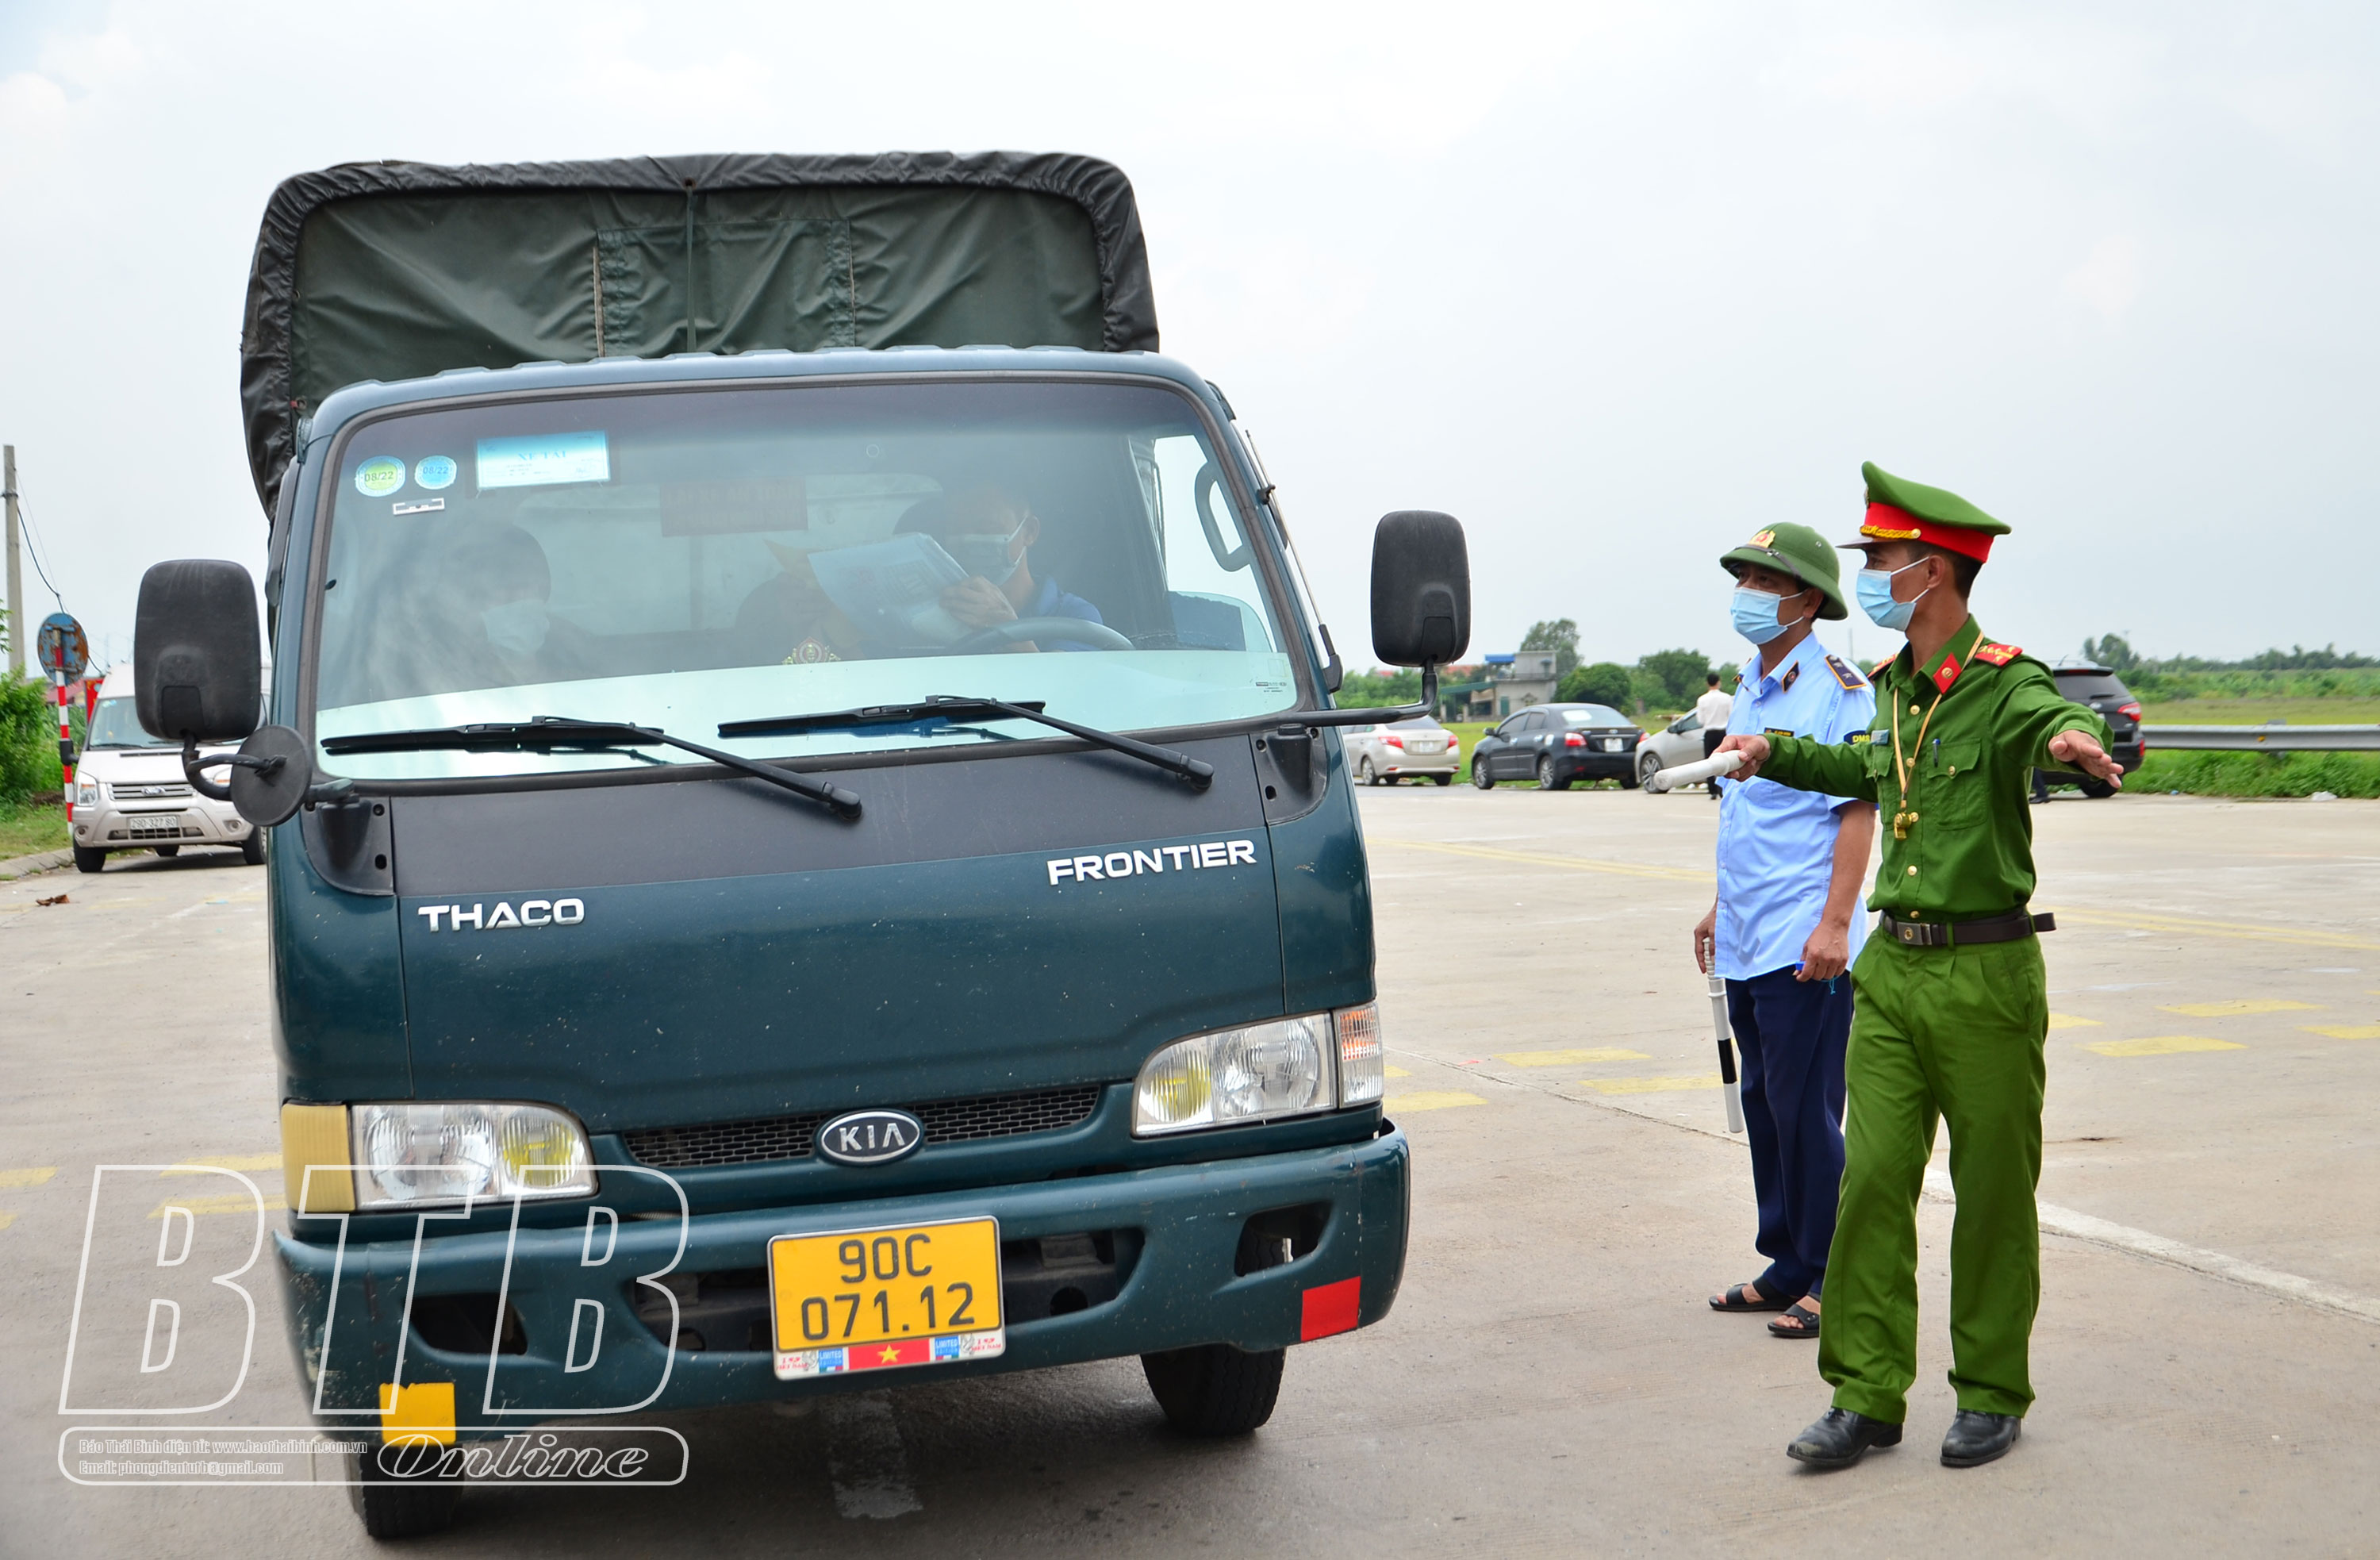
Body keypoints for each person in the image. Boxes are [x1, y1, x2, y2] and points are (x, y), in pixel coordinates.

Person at [1716, 463, 2121, 1473]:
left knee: (1992, 1192)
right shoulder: (1893, 689)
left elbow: (2048, 720)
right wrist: (1774, 752)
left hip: (1985, 974)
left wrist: (2074, 740)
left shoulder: (2004, 681)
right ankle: (1865, 1395)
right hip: (1893, 969)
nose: (1871, 574)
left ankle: (1990, 1390)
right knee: (1873, 1184)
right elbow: (1861, 770)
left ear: (1932, 570)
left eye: (1883, 557)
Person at [1697, 523, 1876, 1343]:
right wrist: (1720, 904)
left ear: (1806, 599)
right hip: (1749, 932)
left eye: (1764, 582)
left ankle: (1837, 1273)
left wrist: (1836, 923)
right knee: (1765, 1104)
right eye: (1742, 578)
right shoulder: (1750, 683)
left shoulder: (1839, 690)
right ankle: (1788, 1262)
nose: (1747, 593)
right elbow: (1745, 809)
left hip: (1806, 939)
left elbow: (1857, 809)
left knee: (1808, 1111)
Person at [896, 482, 1107, 652]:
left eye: (986, 529)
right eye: (956, 530)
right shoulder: (931, 610)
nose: (968, 539)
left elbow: (1061, 688)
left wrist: (1004, 626)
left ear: (1029, 532)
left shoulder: (1074, 617)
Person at [1694, 672, 1736, 798]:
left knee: (1709, 761)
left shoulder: (1702, 699)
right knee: (1725, 760)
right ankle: (1723, 788)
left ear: (1707, 683)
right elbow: (1732, 715)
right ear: (1719, 682)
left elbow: (1700, 720)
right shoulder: (1726, 698)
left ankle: (1712, 790)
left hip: (1709, 733)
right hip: (1723, 733)